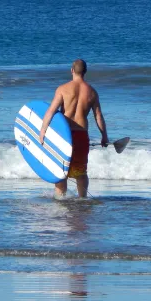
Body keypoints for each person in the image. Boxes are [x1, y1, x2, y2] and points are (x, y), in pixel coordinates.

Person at [39, 59, 109, 198]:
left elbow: (51, 111)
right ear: (85, 72)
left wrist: (43, 131)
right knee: (81, 171)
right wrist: (104, 136)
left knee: (61, 169)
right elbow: (98, 116)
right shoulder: (92, 92)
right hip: (81, 135)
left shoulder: (63, 89)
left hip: (65, 135)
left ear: (72, 70)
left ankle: (60, 199)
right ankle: (82, 199)